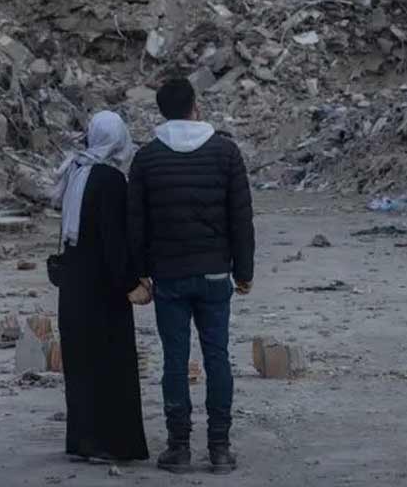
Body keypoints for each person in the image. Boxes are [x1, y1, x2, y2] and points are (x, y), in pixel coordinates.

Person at [128, 78, 256, 475]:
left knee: (175, 359)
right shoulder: (225, 152)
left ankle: (179, 448)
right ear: (195, 106)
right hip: (216, 273)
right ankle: (220, 448)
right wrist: (245, 272)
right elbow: (241, 217)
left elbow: (136, 225)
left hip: (169, 276)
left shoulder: (147, 159)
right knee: (217, 356)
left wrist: (139, 275)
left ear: (162, 112)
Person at [52, 111, 150, 464]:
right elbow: (113, 240)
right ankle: (111, 443)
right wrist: (132, 283)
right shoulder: (110, 179)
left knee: (81, 364)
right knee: (110, 363)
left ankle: (83, 440)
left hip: (73, 283)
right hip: (102, 287)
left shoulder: (75, 171)